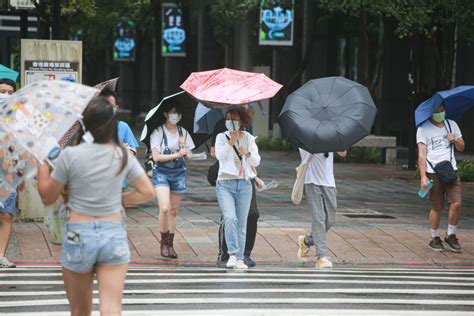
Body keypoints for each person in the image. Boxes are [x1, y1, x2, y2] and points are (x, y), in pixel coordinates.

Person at [37, 97, 155, 315]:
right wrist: (120, 199)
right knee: (111, 309)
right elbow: (147, 192)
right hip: (113, 232)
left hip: (78, 233)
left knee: (80, 310)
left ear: (83, 124)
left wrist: (42, 164)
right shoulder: (121, 155)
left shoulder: (70, 155)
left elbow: (47, 197)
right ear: (112, 124)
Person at [211, 119, 262, 268]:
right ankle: (231, 254)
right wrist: (230, 142)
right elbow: (219, 156)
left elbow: (256, 161)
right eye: (228, 118)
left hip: (244, 183)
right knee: (230, 218)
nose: (230, 122)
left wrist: (247, 153)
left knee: (242, 223)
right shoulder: (222, 137)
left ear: (242, 121)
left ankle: (240, 259)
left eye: (234, 119)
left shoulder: (249, 138)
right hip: (225, 183)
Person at [417, 104, 465, 252]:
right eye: (437, 110)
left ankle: (451, 235)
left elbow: (462, 146)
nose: (440, 113)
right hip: (433, 171)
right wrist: (423, 176)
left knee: (456, 203)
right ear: (430, 112)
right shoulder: (423, 129)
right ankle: (434, 238)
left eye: (442, 109)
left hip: (451, 170)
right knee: (437, 207)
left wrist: (455, 140)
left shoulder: (452, 124)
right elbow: (422, 154)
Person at [150, 103, 195, 259]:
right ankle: (163, 242)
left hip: (178, 174)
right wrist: (177, 154)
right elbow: (156, 157)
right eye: (172, 113)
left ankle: (170, 244)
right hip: (161, 173)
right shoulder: (157, 132)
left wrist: (183, 145)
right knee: (164, 208)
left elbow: (189, 155)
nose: (175, 116)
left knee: (174, 211)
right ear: (166, 114)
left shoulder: (183, 132)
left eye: (178, 113)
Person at [297, 150, 347, 269]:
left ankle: (307, 241)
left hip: (329, 181)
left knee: (330, 219)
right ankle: (321, 257)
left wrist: (335, 146)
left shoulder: (329, 134)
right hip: (311, 180)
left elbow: (343, 153)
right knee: (318, 218)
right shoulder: (306, 133)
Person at [0, 78, 18, 268]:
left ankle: (1, 255)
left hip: (8, 172)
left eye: (9, 92)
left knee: (6, 214)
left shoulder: (18, 117)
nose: (5, 95)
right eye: (2, 91)